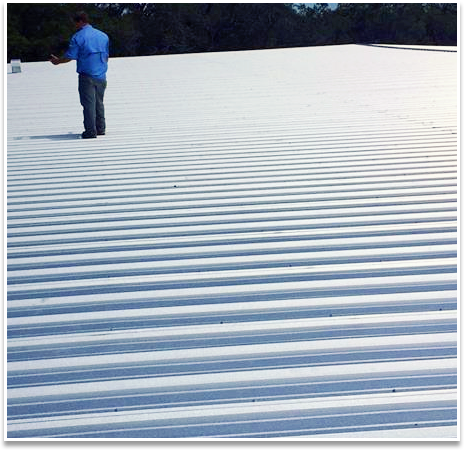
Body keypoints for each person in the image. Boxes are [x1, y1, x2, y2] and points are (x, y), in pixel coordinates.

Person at [50, 11, 109, 139]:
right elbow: (106, 56)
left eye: (74, 23)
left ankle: (90, 131)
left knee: (88, 105)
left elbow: (70, 56)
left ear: (80, 21)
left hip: (86, 75)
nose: (74, 26)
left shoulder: (78, 37)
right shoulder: (103, 36)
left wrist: (57, 61)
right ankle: (101, 128)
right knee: (99, 102)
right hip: (101, 75)